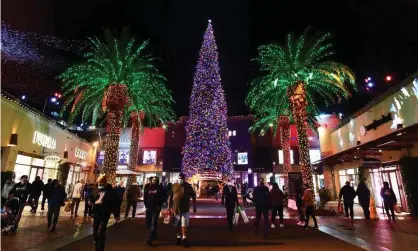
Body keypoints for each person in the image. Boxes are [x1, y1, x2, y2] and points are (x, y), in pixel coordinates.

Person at [90, 175, 120, 251]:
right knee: (95, 232)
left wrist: (116, 214)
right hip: (96, 213)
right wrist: (91, 207)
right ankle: (97, 244)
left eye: (101, 183)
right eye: (98, 182)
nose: (99, 184)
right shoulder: (96, 190)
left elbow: (115, 203)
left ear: (105, 182)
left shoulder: (111, 192)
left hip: (105, 213)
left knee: (101, 231)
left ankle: (100, 248)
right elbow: (91, 199)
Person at [168, 173, 197, 247]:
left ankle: (184, 238)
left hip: (185, 208)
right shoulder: (174, 186)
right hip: (176, 209)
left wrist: (194, 206)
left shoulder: (188, 186)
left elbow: (193, 196)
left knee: (184, 224)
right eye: (179, 178)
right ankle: (178, 237)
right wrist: (169, 207)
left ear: (184, 178)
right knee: (177, 224)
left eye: (182, 178)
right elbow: (170, 197)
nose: (180, 179)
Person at [144, 176, 164, 246]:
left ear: (157, 181)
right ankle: (154, 234)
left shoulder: (160, 188)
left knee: (153, 222)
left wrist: (159, 205)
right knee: (149, 223)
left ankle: (150, 239)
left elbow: (163, 197)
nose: (154, 181)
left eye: (155, 180)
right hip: (149, 208)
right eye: (153, 180)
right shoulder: (148, 187)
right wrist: (146, 205)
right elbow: (145, 196)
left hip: (156, 208)